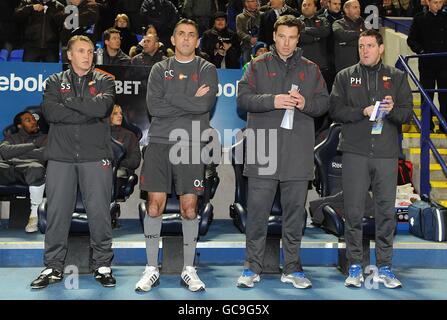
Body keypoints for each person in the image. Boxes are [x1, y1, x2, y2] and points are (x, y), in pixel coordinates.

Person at [236, 15, 329, 289]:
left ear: (298, 38)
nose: (286, 42)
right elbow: (242, 100)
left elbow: (324, 103)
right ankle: (251, 267)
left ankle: (292, 267)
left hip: (298, 150)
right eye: (282, 36)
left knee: (294, 215)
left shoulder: (311, 69)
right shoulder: (256, 66)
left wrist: (306, 103)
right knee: (257, 214)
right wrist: (272, 100)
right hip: (263, 149)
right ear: (274, 37)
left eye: (292, 37)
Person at [134, 19, 218, 293]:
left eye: (191, 35)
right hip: (158, 142)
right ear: (172, 40)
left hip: (191, 143)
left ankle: (189, 269)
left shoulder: (207, 68)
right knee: (154, 206)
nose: (185, 39)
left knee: (189, 209)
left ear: (197, 41)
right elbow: (153, 106)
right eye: (180, 34)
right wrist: (189, 101)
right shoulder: (160, 68)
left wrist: (173, 99)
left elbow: (204, 104)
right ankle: (150, 268)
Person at [30, 35, 116, 289]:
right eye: (81, 51)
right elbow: (51, 112)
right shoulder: (54, 82)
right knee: (57, 214)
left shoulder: (106, 81)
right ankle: (53, 267)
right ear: (69, 55)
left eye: (90, 51)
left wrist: (69, 104)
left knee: (100, 213)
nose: (87, 56)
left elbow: (102, 109)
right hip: (61, 158)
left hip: (96, 156)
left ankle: (102, 264)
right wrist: (86, 109)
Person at [329, 29, 413, 289]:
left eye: (369, 45)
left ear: (381, 48)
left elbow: (407, 114)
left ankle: (386, 267)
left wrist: (391, 111)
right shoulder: (345, 76)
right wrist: (361, 111)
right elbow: (335, 110)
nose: (364, 50)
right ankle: (355, 267)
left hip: (386, 154)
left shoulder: (397, 77)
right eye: (360, 46)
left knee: (386, 212)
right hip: (354, 153)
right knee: (353, 213)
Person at [0, 111, 47, 233]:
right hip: (8, 167)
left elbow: (44, 153)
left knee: (37, 169)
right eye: (28, 120)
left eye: (34, 119)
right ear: (20, 126)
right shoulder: (12, 137)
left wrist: (15, 152)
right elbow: (4, 151)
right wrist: (33, 145)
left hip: (29, 168)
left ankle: (34, 215)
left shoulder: (45, 137)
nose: (34, 122)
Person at [407, 0, 447, 133]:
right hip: (427, 64)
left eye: (440, 2)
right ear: (428, 3)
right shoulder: (419, 18)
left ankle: (444, 126)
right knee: (427, 95)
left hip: (444, 64)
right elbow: (411, 39)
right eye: (435, 2)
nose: (438, 5)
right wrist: (422, 51)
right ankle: (427, 125)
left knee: (445, 96)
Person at [332, 0, 365, 73]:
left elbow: (369, 38)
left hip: (363, 67)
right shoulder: (338, 23)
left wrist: (347, 43)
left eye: (359, 8)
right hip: (345, 68)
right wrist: (361, 33)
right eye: (355, 7)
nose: (358, 10)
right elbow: (342, 35)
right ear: (346, 10)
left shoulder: (363, 23)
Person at [109, 104, 141, 177]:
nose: (120, 116)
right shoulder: (100, 134)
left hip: (120, 172)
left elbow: (135, 160)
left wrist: (118, 163)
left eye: (121, 113)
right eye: (115, 113)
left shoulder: (130, 135)